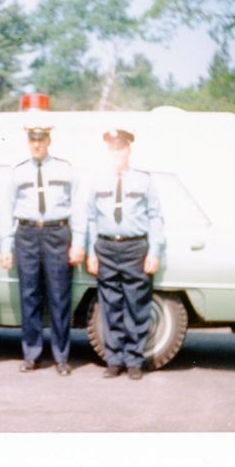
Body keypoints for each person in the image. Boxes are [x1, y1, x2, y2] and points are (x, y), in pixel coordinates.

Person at [0, 125, 86, 376]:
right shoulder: (18, 172)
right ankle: (32, 354)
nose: (36, 144)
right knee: (29, 295)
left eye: (41, 139)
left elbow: (78, 207)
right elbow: (7, 209)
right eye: (32, 139)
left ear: (49, 140)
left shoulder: (65, 169)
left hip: (57, 233)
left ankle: (61, 356)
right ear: (28, 141)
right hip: (26, 234)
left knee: (59, 297)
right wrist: (6, 245)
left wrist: (78, 242)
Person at [85, 129, 164, 380]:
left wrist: (154, 251)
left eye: (121, 148)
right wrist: (91, 252)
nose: (117, 153)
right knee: (110, 305)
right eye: (112, 149)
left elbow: (155, 217)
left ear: (129, 150)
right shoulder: (97, 180)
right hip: (106, 247)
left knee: (137, 305)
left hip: (134, 247)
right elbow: (90, 219)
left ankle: (133, 361)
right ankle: (114, 359)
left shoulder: (144, 180)